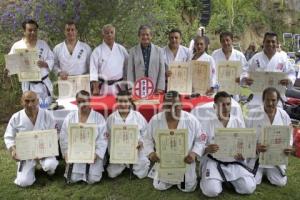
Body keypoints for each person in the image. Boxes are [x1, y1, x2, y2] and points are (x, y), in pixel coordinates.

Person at [192, 91, 256, 197]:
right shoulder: (206, 123)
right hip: (213, 162)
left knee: (248, 188)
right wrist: (207, 149)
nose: (225, 107)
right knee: (211, 191)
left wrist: (242, 154)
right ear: (214, 106)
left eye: (228, 104)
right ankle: (220, 180)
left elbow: (244, 144)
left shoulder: (238, 122)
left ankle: (226, 180)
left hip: (233, 161)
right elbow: (199, 144)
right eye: (222, 104)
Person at [144, 91, 207, 192]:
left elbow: (201, 139)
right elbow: (147, 139)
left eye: (176, 105)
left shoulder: (191, 120)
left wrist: (193, 154)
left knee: (188, 188)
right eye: (168, 105)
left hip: (185, 162)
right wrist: (151, 153)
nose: (172, 108)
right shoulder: (155, 120)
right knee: (159, 186)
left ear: (181, 105)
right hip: (164, 162)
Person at [4, 91, 58, 187]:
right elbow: (9, 136)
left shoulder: (46, 115)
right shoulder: (16, 117)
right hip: (26, 154)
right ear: (22, 101)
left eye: (33, 101)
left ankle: (48, 169)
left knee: (51, 164)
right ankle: (29, 170)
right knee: (24, 182)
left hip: (44, 152)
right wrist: (13, 150)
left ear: (37, 101)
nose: (30, 104)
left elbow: (53, 135)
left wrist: (47, 151)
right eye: (27, 101)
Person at [245, 87, 293, 186]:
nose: (270, 103)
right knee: (253, 182)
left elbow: (290, 134)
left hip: (275, 158)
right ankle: (258, 172)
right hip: (257, 156)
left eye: (273, 100)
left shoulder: (283, 115)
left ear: (278, 101)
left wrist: (288, 146)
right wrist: (255, 147)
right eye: (267, 100)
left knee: (280, 182)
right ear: (263, 100)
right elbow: (245, 135)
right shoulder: (253, 114)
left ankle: (269, 172)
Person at [59, 90, 107, 184]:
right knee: (72, 178)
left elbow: (103, 139)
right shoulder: (70, 117)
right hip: (75, 153)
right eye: (79, 102)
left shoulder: (98, 118)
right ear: (76, 102)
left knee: (93, 179)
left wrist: (96, 154)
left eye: (84, 101)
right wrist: (66, 153)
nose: (82, 104)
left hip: (93, 154)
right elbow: (63, 136)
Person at [9, 19, 54, 106]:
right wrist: (9, 68)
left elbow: (51, 59)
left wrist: (45, 64)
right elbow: (11, 63)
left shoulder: (43, 44)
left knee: (48, 112)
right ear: (24, 31)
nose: (33, 32)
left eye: (35, 30)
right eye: (30, 30)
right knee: (31, 110)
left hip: (43, 84)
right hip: (28, 85)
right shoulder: (17, 46)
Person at [106, 90, 150, 178]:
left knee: (142, 173)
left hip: (136, 150)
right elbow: (107, 136)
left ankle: (132, 165)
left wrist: (141, 142)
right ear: (117, 102)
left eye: (125, 101)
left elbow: (146, 133)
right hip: (119, 152)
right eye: (120, 101)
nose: (123, 104)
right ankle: (123, 165)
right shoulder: (112, 118)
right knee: (111, 174)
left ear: (130, 102)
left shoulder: (137, 116)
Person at [245, 32, 296, 107]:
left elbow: (292, 74)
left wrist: (289, 80)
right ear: (263, 43)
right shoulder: (256, 58)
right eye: (268, 41)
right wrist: (246, 78)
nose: (270, 44)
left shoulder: (283, 59)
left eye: (273, 42)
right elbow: (245, 71)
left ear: (277, 44)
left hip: (276, 97)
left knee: (276, 117)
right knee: (256, 116)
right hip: (258, 97)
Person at [90, 24, 128, 95]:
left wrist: (127, 82)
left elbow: (127, 67)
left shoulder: (121, 49)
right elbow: (93, 70)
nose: (109, 35)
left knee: (120, 106)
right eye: (107, 33)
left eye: (111, 32)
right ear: (103, 34)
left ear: (114, 34)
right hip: (103, 87)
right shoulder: (97, 51)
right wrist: (95, 87)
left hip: (120, 86)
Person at [127, 25, 165, 93]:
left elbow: (162, 70)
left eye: (147, 34)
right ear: (139, 36)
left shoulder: (159, 51)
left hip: (154, 87)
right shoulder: (133, 51)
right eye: (142, 34)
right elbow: (130, 71)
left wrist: (160, 87)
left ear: (151, 36)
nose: (145, 37)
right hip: (138, 88)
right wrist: (131, 88)